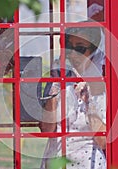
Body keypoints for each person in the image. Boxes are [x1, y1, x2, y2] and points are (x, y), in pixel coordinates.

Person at [39, 26, 107, 169]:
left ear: (93, 52)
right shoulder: (59, 80)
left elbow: (103, 141)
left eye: (80, 49)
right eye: (70, 47)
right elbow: (47, 130)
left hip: (89, 163)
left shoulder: (104, 84)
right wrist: (55, 86)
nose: (73, 54)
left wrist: (89, 102)